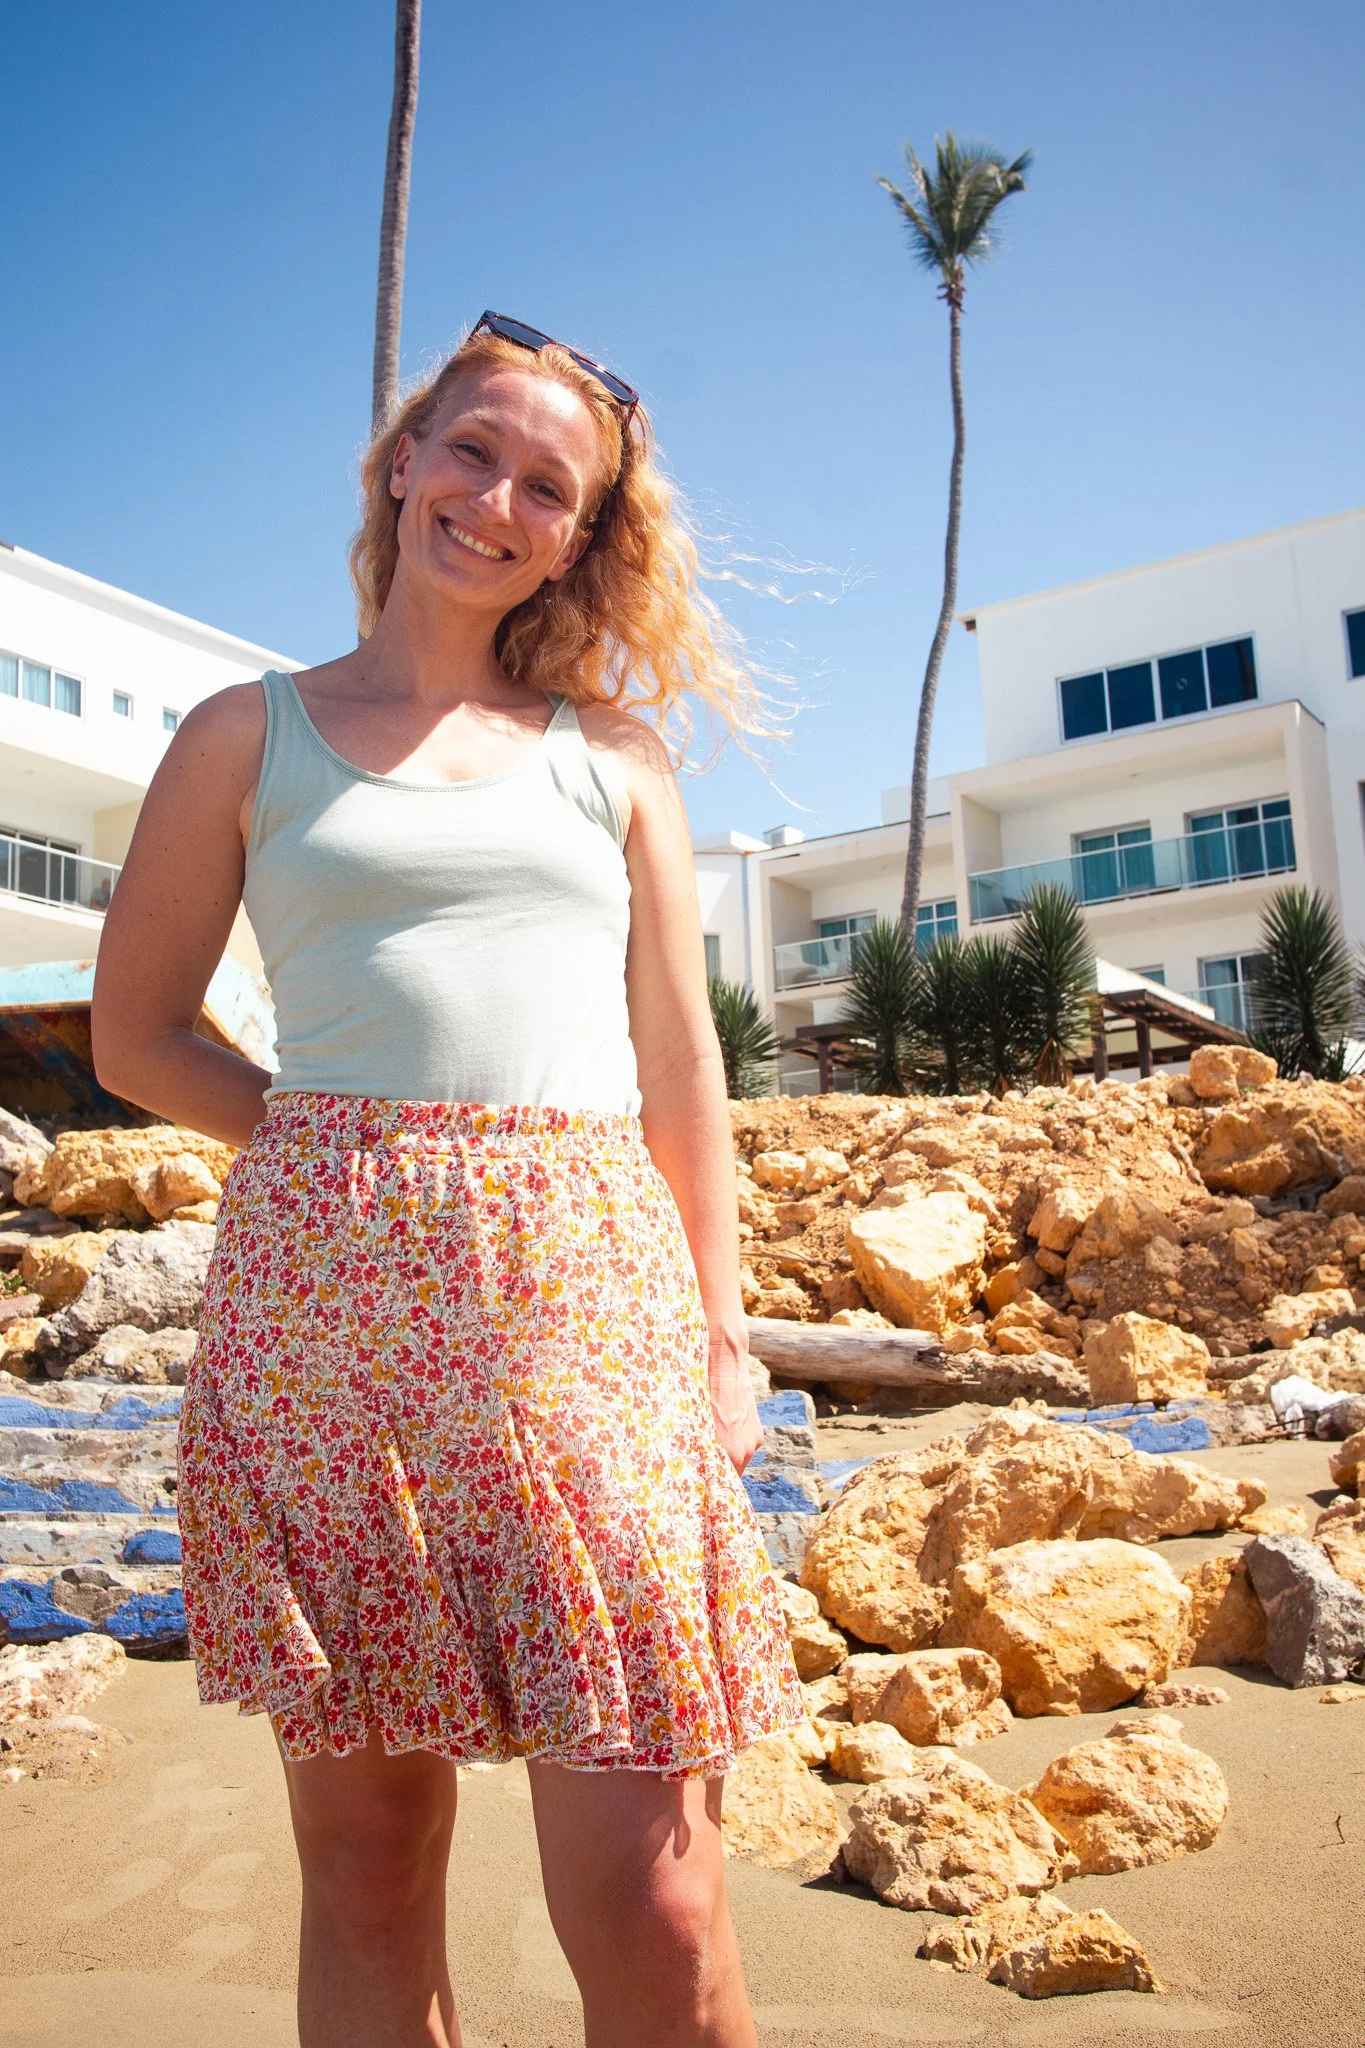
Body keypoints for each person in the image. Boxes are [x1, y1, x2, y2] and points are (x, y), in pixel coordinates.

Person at [91, 312, 805, 2048]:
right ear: (402, 461)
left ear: (581, 535)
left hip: (590, 1321)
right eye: (472, 449)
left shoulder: (613, 759)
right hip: (321, 1343)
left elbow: (680, 1067)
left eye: (546, 485)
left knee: (654, 1884)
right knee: (366, 1858)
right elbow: (137, 1036)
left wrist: (721, 1329)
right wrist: (340, 1150)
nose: (497, 497)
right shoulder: (242, 738)